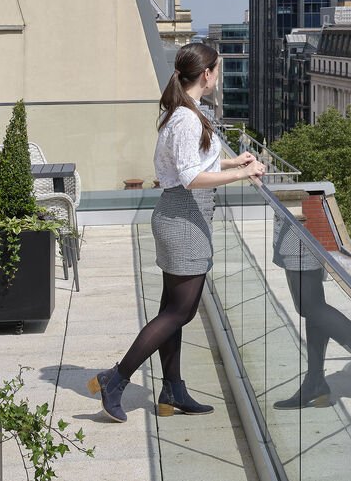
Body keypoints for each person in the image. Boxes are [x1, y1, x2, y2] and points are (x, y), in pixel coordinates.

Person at [87, 42, 264, 421]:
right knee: (180, 312)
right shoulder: (186, 118)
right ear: (206, 74)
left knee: (172, 310)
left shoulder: (184, 111)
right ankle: (115, 379)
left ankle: (172, 390)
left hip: (181, 216)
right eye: (217, 70)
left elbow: (194, 162)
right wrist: (243, 173)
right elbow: (190, 177)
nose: (218, 77)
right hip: (184, 218)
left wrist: (233, 161)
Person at [270, 201, 351, 409]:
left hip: (299, 228)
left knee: (312, 308)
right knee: (312, 309)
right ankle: (316, 381)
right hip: (291, 227)